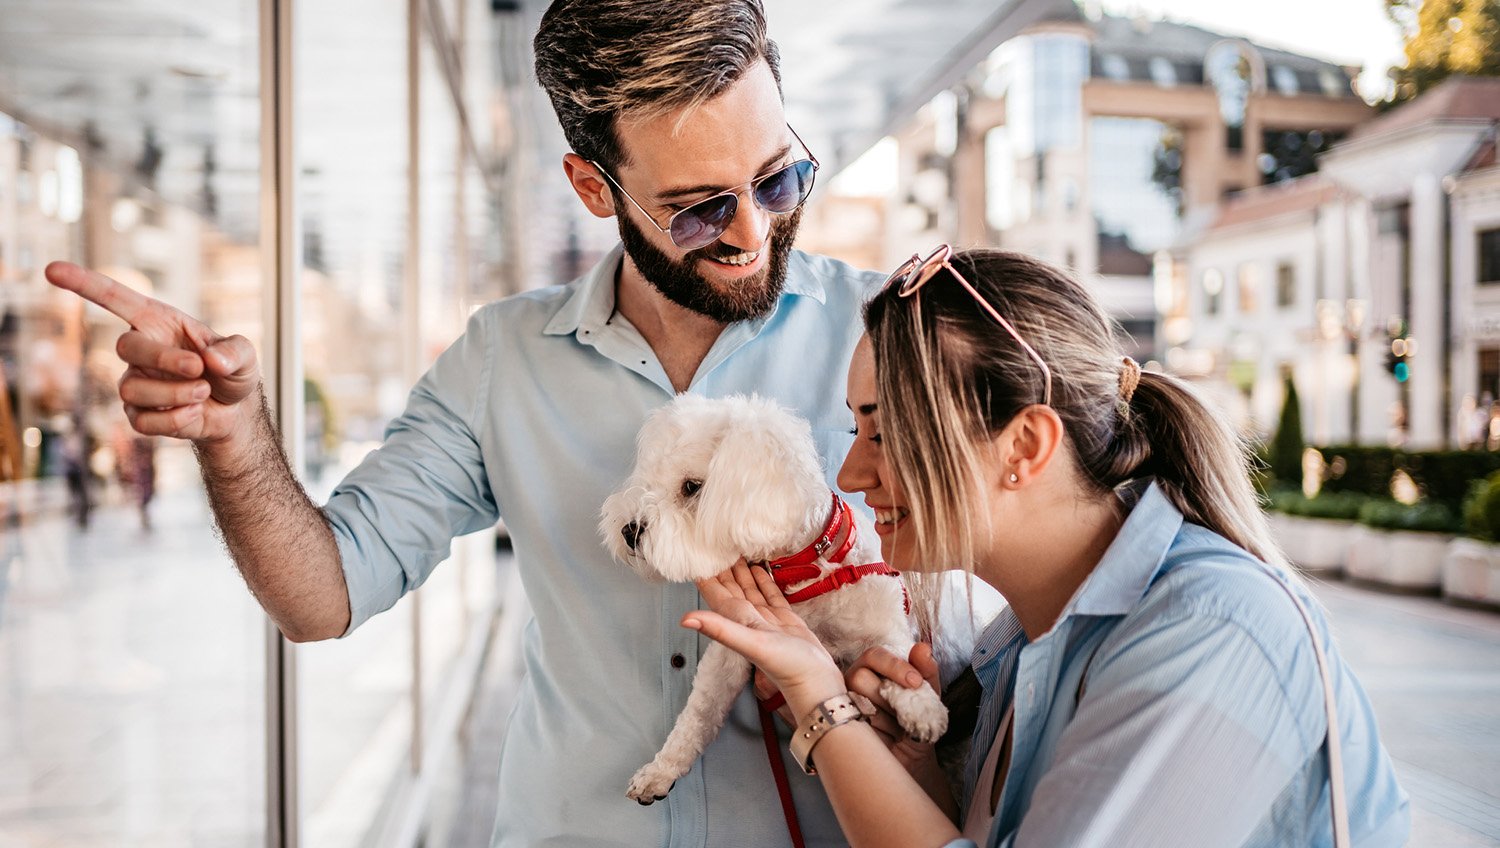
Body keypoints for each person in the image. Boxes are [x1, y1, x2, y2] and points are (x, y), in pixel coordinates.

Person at [42, 1, 901, 844]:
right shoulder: (501, 359)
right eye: (699, 208)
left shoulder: (889, 335)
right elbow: (324, 595)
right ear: (592, 187)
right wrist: (234, 442)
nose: (754, 228)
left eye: (779, 177)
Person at [683, 247, 1412, 847]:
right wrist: (921, 775)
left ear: (1025, 445)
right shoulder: (1019, 647)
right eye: (855, 431)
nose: (851, 473)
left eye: (887, 434)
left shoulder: (1214, 629)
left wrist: (823, 709)